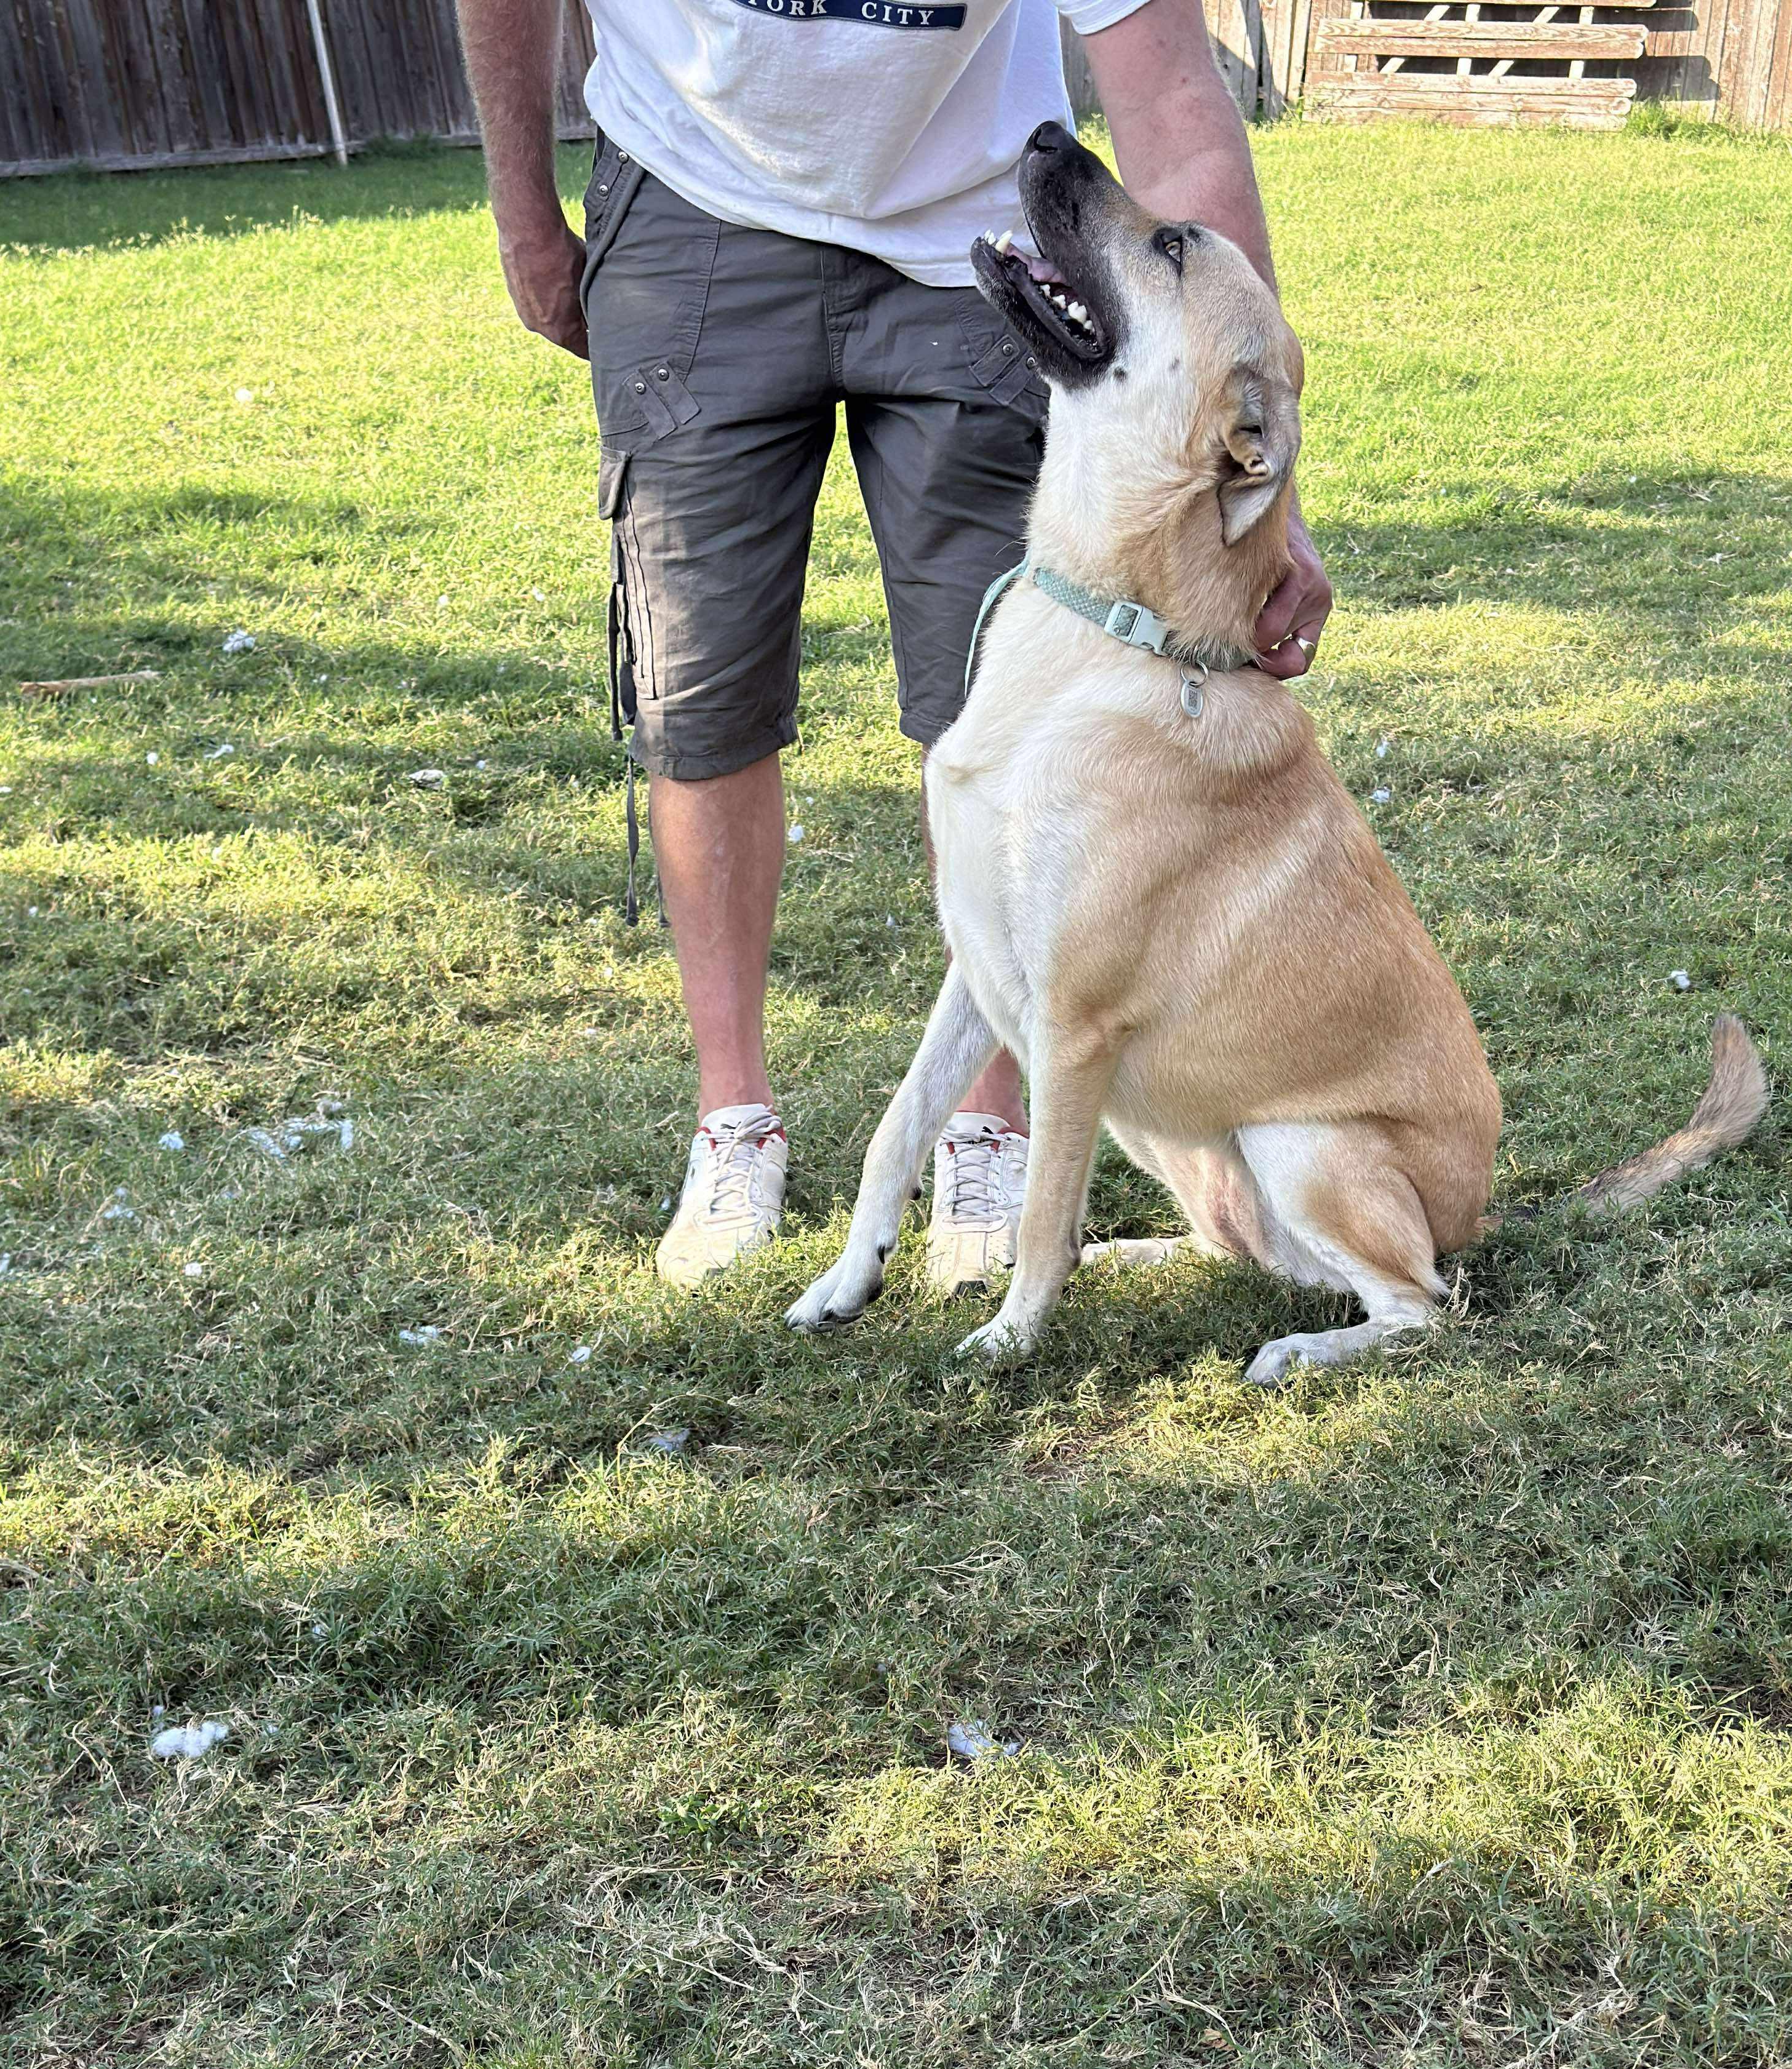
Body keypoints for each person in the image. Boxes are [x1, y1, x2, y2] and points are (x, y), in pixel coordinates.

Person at [455, 0, 1332, 1288]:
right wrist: (522, 211)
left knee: (1004, 713)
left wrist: (1253, 482)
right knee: (701, 699)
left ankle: (990, 1125)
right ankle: (731, 1118)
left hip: (975, 232)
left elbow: (1174, 108)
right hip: (688, 200)